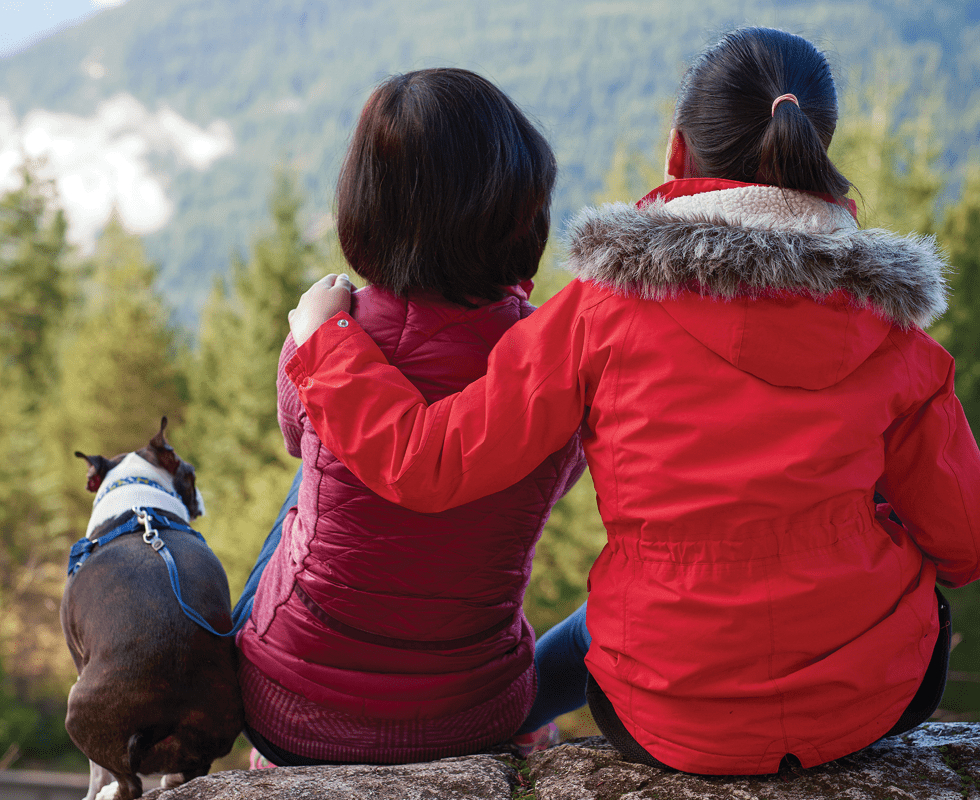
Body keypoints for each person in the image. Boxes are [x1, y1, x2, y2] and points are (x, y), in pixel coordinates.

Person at [283, 27, 980, 775]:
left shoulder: (598, 313)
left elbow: (431, 464)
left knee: (605, 616)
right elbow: (964, 544)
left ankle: (519, 722)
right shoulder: (900, 340)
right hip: (867, 703)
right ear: (821, 152)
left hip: (668, 716)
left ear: (678, 153)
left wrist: (325, 345)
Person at [234, 67, 586, 766]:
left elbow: (294, 437)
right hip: (475, 710)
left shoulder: (325, 334)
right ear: (525, 209)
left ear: (365, 209)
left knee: (307, 481)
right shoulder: (558, 357)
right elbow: (559, 473)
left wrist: (316, 337)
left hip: (292, 711)